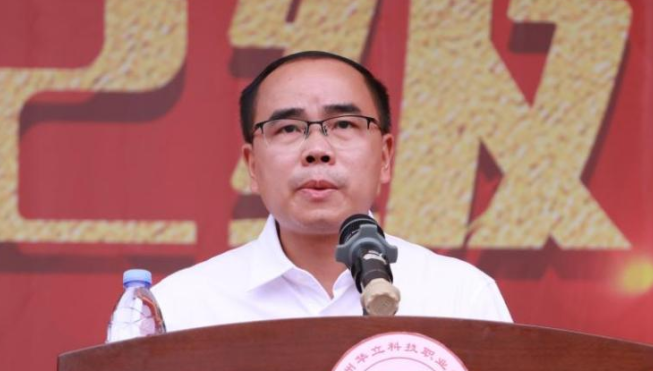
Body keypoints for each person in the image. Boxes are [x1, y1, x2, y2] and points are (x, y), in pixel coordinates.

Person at [152, 51, 511, 330]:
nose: (317, 149)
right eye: (288, 128)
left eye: (343, 124)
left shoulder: (460, 298)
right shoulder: (181, 308)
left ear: (385, 157)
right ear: (253, 166)